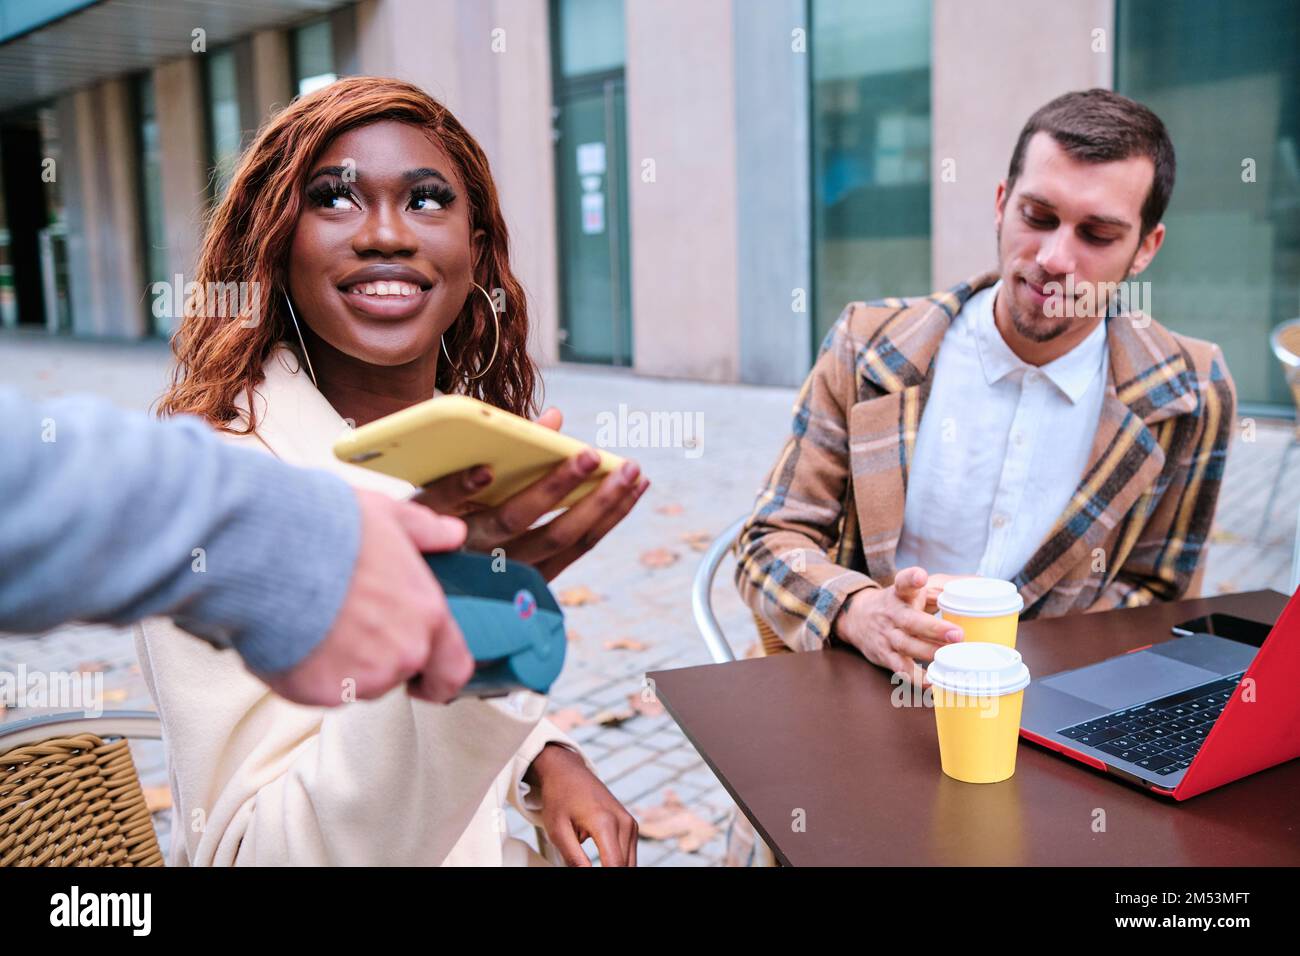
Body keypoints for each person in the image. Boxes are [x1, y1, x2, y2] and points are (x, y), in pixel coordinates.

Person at [138, 76, 647, 866]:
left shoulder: (467, 452)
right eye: (335, 199)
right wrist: (447, 635)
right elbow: (253, 850)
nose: (385, 235)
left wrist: (546, 760)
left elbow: (421, 747)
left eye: (426, 200)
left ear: (474, 249)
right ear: (275, 240)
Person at [730, 89, 1236, 865]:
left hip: (1054, 752)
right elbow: (769, 540)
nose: (1055, 258)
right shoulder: (872, 348)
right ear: (1001, 204)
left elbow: (1169, 601)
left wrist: (1047, 671)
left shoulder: (1190, 394)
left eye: (1098, 234)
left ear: (1146, 249)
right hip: (857, 724)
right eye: (1038, 217)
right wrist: (860, 609)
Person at [0, 386, 472, 706]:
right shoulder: (231, 455)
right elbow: (251, 840)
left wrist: (537, 751)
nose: (388, 235)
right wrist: (279, 540)